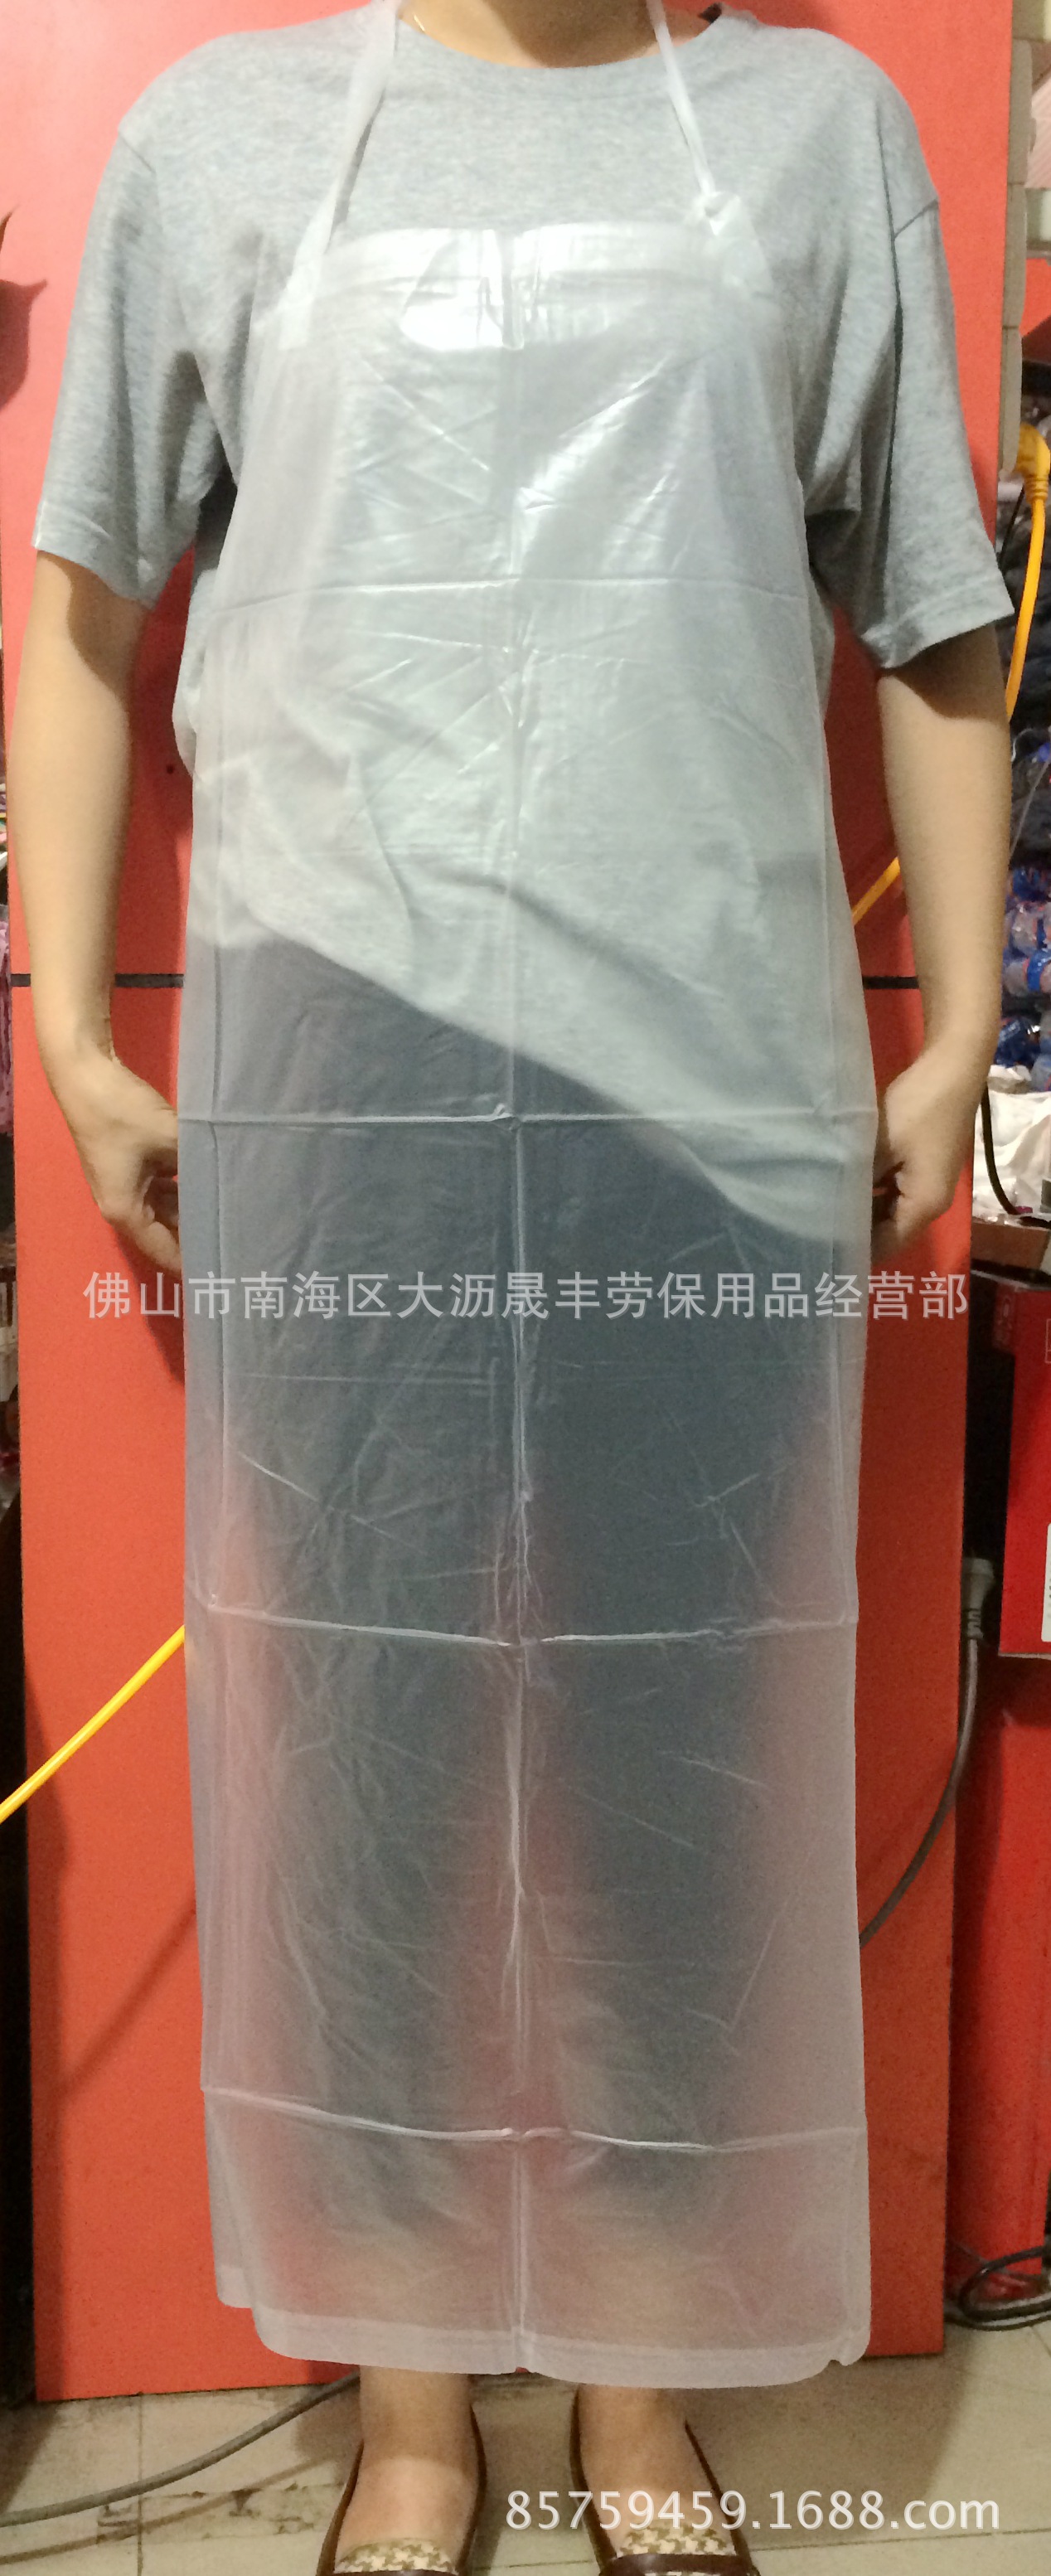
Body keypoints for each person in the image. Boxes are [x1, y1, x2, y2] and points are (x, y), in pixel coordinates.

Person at [9, 1, 1013, 2572]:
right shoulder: (223, 139)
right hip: (343, 1073)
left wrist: (949, 1030)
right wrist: (71, 1032)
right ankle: (412, 2395)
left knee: (674, 1746)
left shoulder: (811, 133)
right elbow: (87, 607)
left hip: (705, 1077)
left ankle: (637, 2390)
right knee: (369, 1742)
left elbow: (930, 612)